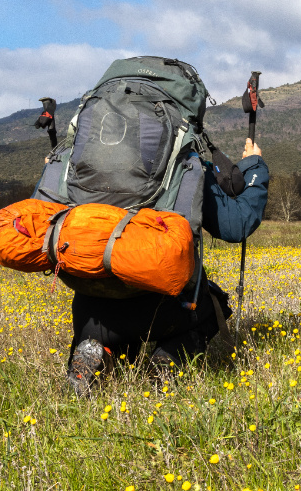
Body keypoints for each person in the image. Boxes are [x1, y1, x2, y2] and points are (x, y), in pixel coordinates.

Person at [67, 138, 269, 394]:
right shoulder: (186, 163)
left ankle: (97, 350)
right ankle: (166, 364)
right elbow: (236, 224)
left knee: (115, 306)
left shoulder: (79, 161)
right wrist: (255, 167)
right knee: (215, 301)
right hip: (164, 310)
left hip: (90, 313)